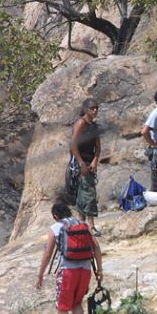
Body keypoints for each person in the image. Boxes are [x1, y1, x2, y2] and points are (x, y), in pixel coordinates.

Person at [36, 203, 103, 314]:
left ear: (55, 216)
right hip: (85, 270)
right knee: (76, 302)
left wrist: (40, 275)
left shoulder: (56, 228)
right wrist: (99, 270)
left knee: (62, 308)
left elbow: (48, 254)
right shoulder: (83, 224)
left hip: (67, 271)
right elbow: (97, 247)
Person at [71, 98, 102, 236]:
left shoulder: (94, 126)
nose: (95, 110)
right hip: (80, 164)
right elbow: (73, 145)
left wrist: (95, 160)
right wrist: (81, 163)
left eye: (96, 108)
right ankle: (90, 226)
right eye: (92, 108)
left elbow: (98, 146)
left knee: (84, 194)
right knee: (88, 194)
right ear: (86, 109)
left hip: (90, 163)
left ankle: (82, 225)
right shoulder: (81, 123)